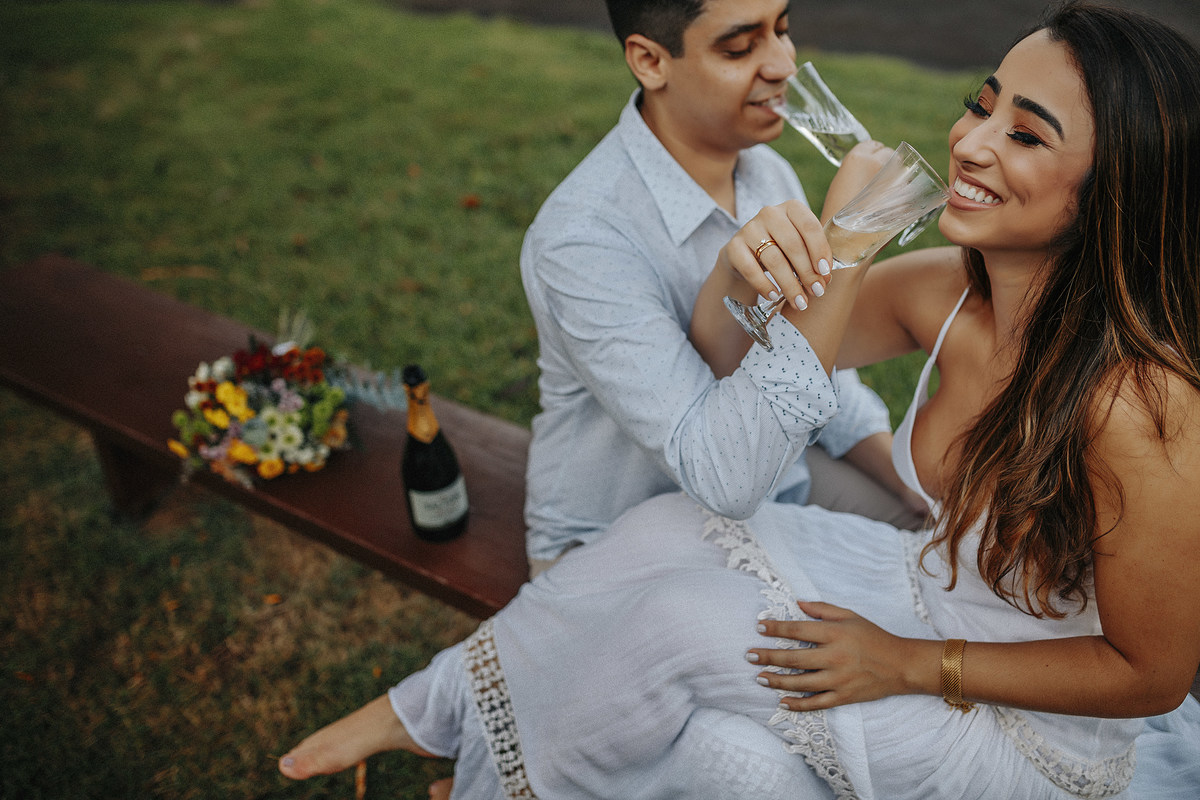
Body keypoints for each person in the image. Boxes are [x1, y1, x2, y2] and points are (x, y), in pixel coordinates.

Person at [279, 2, 1200, 798]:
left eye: (1026, 135)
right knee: (659, 536)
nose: (969, 141)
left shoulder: (1139, 405)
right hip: (928, 594)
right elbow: (736, 355)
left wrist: (913, 664)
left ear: (1114, 190)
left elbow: (1153, 675)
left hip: (1016, 725)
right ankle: (435, 708)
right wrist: (744, 270)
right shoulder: (949, 291)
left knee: (680, 631)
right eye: (982, 104)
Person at [520, 0, 926, 574]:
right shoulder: (582, 239)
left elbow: (823, 369)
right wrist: (845, 241)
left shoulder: (766, 173)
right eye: (740, 47)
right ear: (650, 61)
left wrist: (913, 489)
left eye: (783, 29)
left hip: (779, 483)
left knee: (940, 544)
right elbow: (721, 474)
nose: (785, 63)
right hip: (629, 534)